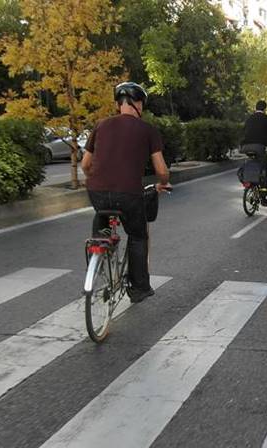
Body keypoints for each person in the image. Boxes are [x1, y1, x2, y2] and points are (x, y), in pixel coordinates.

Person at [81, 82, 171, 304]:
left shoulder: (100, 125)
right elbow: (161, 170)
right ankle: (139, 288)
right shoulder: (148, 130)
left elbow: (85, 165)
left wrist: (98, 178)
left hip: (96, 192)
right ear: (138, 104)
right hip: (129, 195)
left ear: (117, 104)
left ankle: (99, 254)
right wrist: (163, 183)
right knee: (138, 235)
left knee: (102, 219)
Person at [241, 100, 267, 200]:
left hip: (245, 147)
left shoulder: (249, 118)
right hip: (259, 147)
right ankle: (264, 196)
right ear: (265, 109)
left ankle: (250, 183)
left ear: (255, 108)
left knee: (253, 162)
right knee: (264, 169)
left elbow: (244, 132)